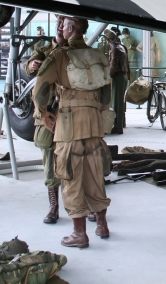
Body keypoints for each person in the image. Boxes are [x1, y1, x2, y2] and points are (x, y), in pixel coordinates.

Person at [31, 17, 112, 249]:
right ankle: (102, 225)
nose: (61, 29)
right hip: (94, 122)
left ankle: (79, 234)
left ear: (70, 28)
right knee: (96, 174)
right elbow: (106, 95)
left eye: (63, 25)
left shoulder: (59, 55)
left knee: (70, 176)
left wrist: (42, 113)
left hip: (68, 123)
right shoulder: (98, 55)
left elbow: (40, 88)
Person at [24, 15, 69, 224]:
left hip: (70, 114)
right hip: (47, 112)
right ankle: (53, 206)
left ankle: (80, 205)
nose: (61, 28)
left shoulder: (76, 51)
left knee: (75, 159)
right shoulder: (43, 50)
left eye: (64, 24)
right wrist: (32, 65)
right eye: (58, 23)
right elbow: (28, 66)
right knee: (48, 158)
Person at [104, 28, 129, 134]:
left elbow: (113, 66)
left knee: (117, 102)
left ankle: (118, 126)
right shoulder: (122, 46)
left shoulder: (115, 48)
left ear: (108, 40)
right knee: (121, 101)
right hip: (123, 76)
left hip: (118, 76)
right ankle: (121, 122)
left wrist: (107, 78)